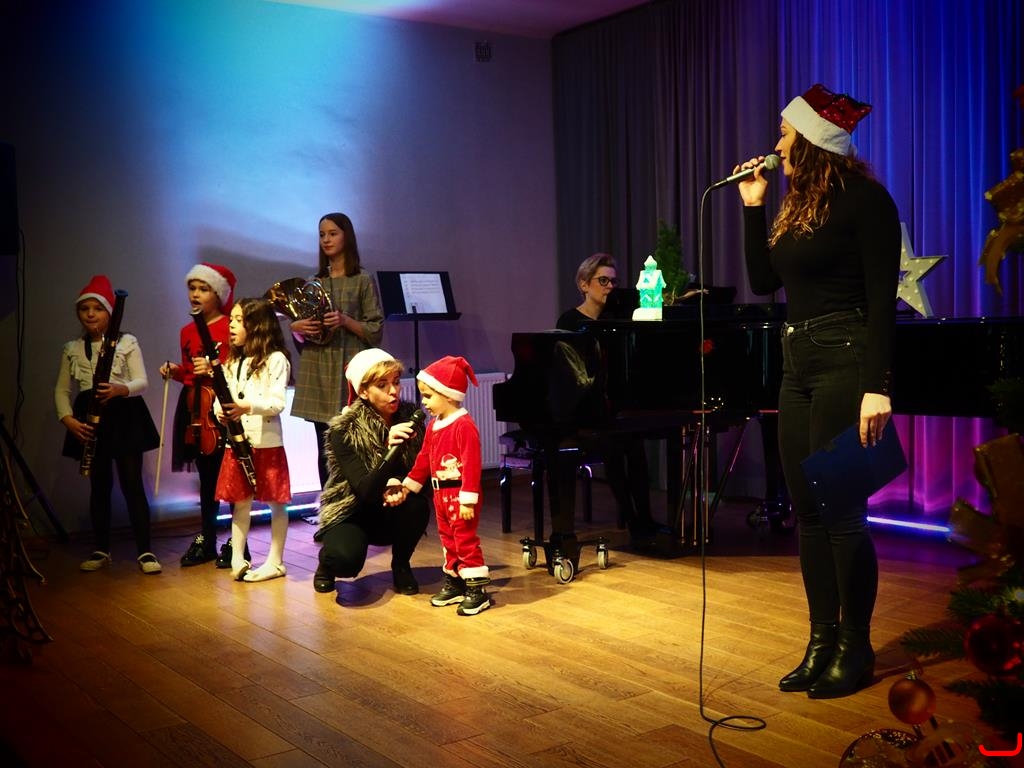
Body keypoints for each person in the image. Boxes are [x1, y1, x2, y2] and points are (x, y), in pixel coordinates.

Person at [736, 83, 901, 699]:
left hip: (845, 358)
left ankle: (855, 646)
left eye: (785, 133)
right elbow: (761, 282)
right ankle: (821, 641)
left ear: (810, 139)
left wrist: (876, 387)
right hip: (797, 362)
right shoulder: (794, 205)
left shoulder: (866, 200)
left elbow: (882, 301)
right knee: (807, 512)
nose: (777, 145)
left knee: (841, 513)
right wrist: (753, 207)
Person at [55, 275, 162, 574]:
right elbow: (61, 390)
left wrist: (119, 388)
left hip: (124, 414)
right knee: (99, 485)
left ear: (110, 312)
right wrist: (68, 420)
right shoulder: (72, 347)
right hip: (90, 418)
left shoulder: (126, 342)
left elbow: (142, 381)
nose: (90, 314)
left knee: (132, 484)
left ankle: (146, 551)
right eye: (84, 308)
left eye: (98, 308)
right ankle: (101, 549)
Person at [556, 253, 659, 547]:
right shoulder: (570, 321)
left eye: (613, 281)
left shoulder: (616, 318)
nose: (610, 287)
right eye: (603, 281)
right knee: (617, 445)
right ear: (584, 284)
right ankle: (633, 520)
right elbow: (571, 374)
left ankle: (644, 519)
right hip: (582, 408)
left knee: (635, 445)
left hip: (612, 405)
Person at [313, 348, 430, 596]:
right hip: (352, 512)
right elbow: (365, 491)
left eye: (396, 382)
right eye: (382, 385)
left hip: (388, 510)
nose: (393, 391)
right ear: (363, 391)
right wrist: (389, 448)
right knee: (346, 561)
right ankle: (327, 563)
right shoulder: (344, 430)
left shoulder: (411, 419)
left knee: (418, 505)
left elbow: (423, 471)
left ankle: (401, 565)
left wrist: (400, 485)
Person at [159, 263, 245, 568]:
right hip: (196, 410)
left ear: (218, 294)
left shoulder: (230, 327)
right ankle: (207, 538)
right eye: (192, 288)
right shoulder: (187, 330)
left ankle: (238, 541)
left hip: (222, 408)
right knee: (206, 478)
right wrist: (176, 371)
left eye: (203, 289)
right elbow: (189, 374)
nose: (195, 294)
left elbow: (239, 368)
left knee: (232, 475)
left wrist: (213, 367)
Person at [289, 213, 384, 488]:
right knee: (324, 447)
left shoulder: (362, 279)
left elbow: (375, 329)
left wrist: (344, 320)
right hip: (319, 367)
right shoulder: (314, 280)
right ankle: (329, 505)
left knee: (353, 445)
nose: (326, 240)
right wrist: (298, 327)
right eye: (322, 235)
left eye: (333, 233)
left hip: (349, 367)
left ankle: (355, 503)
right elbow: (307, 333)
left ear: (347, 237)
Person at [391, 356, 491, 616]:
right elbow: (424, 458)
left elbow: (471, 464)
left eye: (428, 396)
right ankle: (456, 581)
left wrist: (468, 500)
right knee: (448, 539)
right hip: (440, 494)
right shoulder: (435, 425)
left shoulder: (464, 426)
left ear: (448, 395)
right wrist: (409, 485)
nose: (424, 402)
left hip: (459, 495)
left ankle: (476, 589)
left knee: (464, 539)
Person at [208, 297, 292, 582]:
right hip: (237, 441)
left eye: (238, 320)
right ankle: (237, 557)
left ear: (256, 325)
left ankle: (276, 561)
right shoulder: (232, 361)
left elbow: (277, 403)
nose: (231, 325)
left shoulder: (276, 359)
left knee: (276, 502)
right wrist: (220, 411)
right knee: (240, 501)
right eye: (231, 319)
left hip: (267, 442)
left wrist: (246, 407)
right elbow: (222, 397)